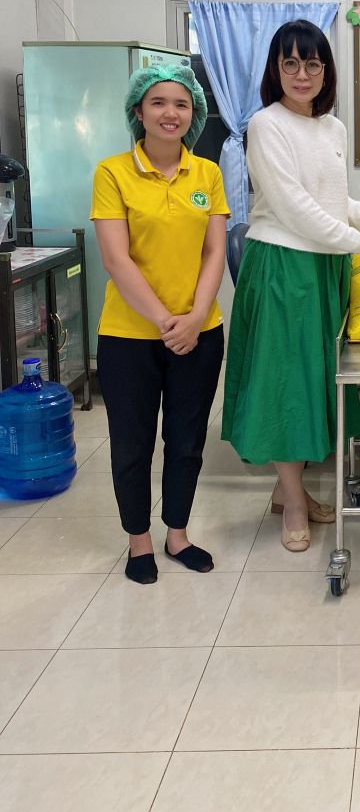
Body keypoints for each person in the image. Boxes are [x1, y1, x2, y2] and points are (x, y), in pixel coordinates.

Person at [222, 19, 360, 552]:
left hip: (323, 266)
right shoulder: (265, 124)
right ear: (275, 70)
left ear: (326, 71)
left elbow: (329, 201)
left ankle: (287, 490)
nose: (302, 74)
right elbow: (292, 207)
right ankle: (296, 504)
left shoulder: (333, 128)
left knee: (315, 381)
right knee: (286, 385)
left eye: (313, 63)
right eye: (291, 63)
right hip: (283, 266)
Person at [91, 64, 228, 584]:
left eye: (181, 104)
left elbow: (214, 251)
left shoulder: (207, 174)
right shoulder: (112, 172)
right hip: (129, 336)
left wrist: (195, 317)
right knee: (132, 443)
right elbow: (116, 258)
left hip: (200, 332)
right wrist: (167, 321)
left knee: (187, 440)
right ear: (139, 111)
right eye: (159, 103)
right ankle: (139, 542)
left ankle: (177, 535)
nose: (171, 113)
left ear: (194, 113)